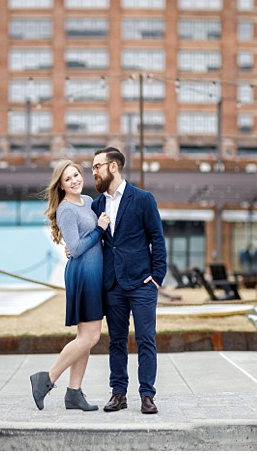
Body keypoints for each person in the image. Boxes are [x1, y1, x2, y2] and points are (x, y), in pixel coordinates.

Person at [89, 146, 166, 415]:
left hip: (142, 283)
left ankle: (147, 395)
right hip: (112, 284)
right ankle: (118, 394)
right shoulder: (96, 204)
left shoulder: (143, 199)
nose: (94, 171)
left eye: (97, 166)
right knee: (116, 341)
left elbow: (157, 239)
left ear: (113, 167)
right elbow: (92, 240)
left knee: (146, 339)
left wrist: (157, 277)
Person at [27, 160, 105, 412]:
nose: (74, 181)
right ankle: (46, 379)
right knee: (91, 336)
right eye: (67, 179)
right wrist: (100, 230)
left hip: (94, 274)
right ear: (60, 185)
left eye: (76, 175)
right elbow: (79, 248)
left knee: (85, 338)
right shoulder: (66, 210)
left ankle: (74, 393)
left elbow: (80, 244)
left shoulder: (89, 202)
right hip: (83, 276)